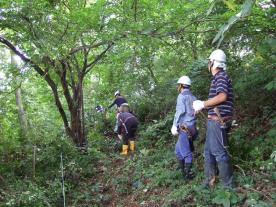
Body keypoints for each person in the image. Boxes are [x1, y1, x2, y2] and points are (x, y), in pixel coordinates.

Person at [193, 49, 234, 188]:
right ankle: (208, 181)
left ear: (214, 63)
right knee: (208, 152)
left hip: (218, 121)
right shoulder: (218, 78)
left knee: (219, 152)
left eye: (209, 62)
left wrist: (203, 103)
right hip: (213, 120)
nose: (208, 64)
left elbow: (222, 96)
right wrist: (202, 107)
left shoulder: (221, 76)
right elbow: (216, 100)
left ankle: (228, 187)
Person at [171, 76, 198, 180]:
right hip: (193, 129)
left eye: (178, 85)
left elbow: (180, 112)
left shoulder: (181, 96)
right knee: (178, 151)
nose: (177, 87)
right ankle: (183, 172)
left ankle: (188, 176)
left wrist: (174, 124)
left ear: (181, 85)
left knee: (186, 153)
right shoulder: (193, 97)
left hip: (185, 129)